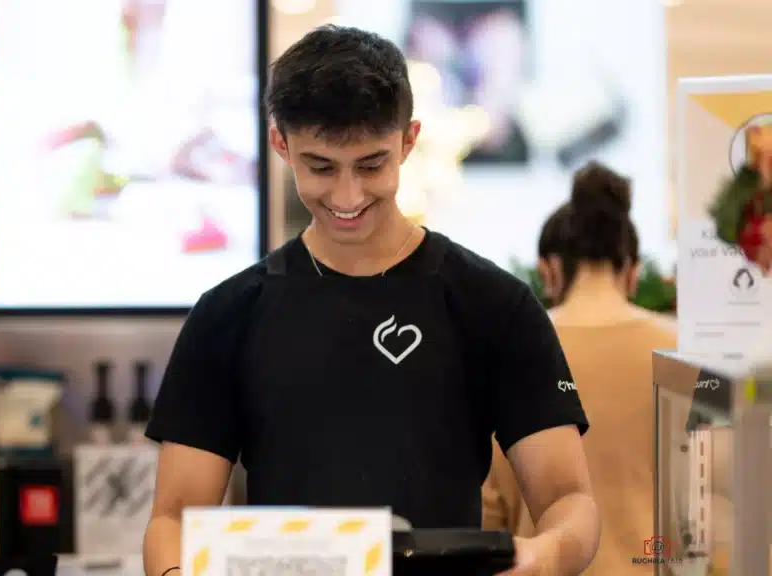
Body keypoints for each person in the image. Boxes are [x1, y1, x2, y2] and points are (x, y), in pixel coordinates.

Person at [143, 25, 599, 576]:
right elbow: (173, 517)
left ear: (408, 140)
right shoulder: (228, 314)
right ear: (280, 144)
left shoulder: (492, 304)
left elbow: (569, 500)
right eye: (321, 167)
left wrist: (544, 555)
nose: (347, 196)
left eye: (370, 165)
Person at [482, 162, 677, 574]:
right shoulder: (684, 352)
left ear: (549, 270)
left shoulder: (510, 351)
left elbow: (486, 520)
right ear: (632, 272)